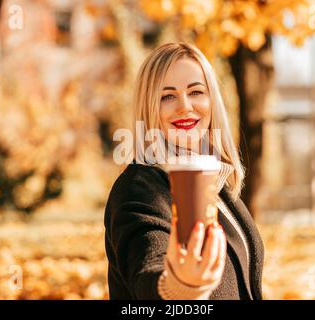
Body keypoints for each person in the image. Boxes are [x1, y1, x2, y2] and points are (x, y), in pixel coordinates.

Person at [104, 42, 264, 300]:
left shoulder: (218, 185)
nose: (185, 106)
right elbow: (148, 272)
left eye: (196, 92)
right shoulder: (139, 186)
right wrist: (180, 286)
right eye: (167, 96)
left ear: (212, 99)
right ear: (149, 107)